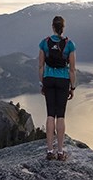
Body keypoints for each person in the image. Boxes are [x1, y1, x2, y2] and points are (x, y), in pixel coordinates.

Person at [38, 15, 76, 161]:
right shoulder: (70, 44)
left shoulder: (44, 43)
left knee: (50, 115)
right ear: (63, 28)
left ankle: (49, 151)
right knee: (60, 115)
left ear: (53, 27)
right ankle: (60, 152)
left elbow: (41, 66)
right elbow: (72, 69)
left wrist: (42, 83)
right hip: (63, 81)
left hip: (48, 79)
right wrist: (72, 87)